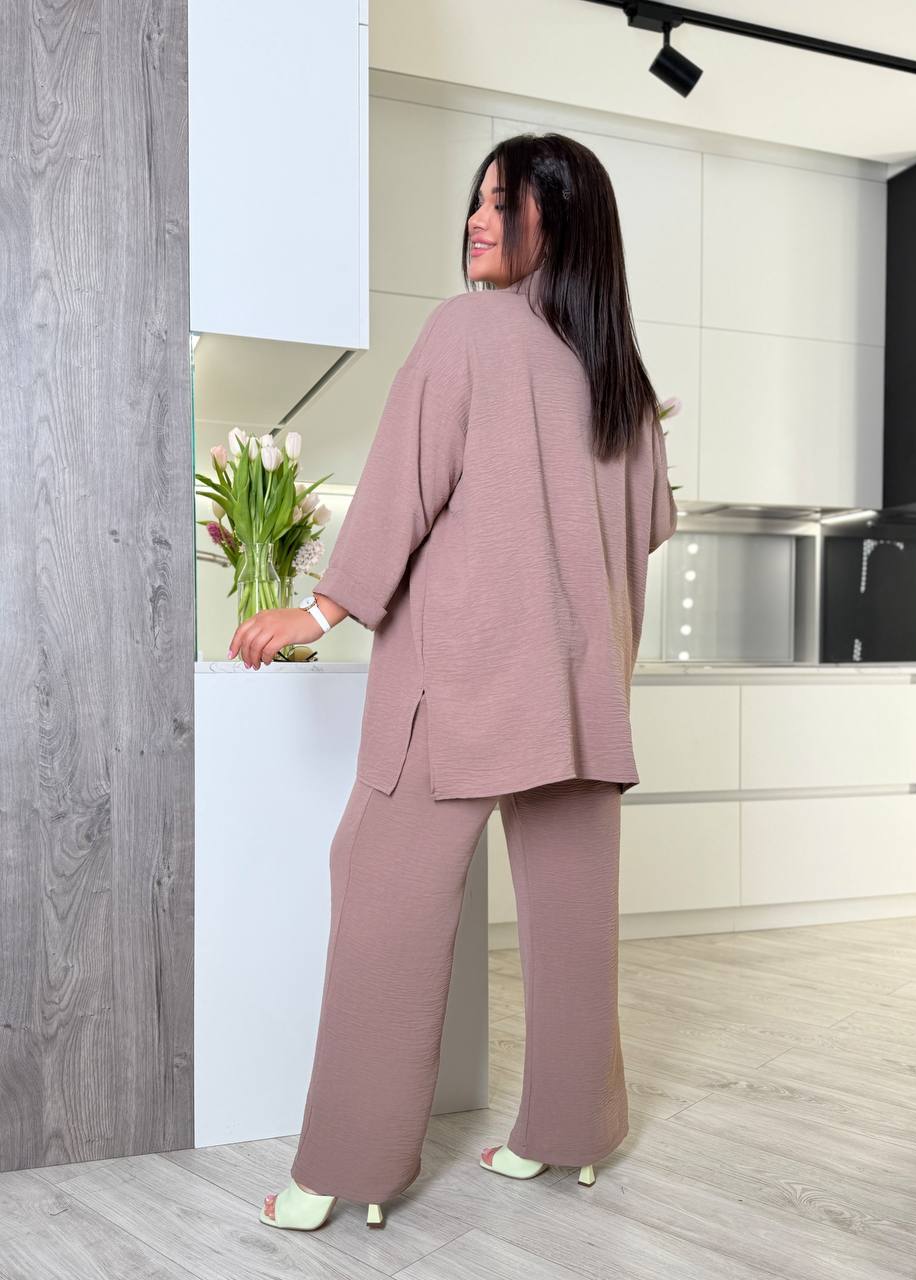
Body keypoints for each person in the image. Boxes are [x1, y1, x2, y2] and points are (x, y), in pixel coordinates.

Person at [229, 132, 679, 1231]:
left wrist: (319, 610)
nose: (478, 219)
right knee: (571, 916)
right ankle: (572, 1134)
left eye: (502, 201)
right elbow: (648, 529)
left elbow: (401, 490)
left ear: (557, 221)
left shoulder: (467, 331)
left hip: (461, 676)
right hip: (583, 695)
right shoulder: (622, 383)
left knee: (381, 893)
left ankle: (346, 1167)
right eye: (476, 200)